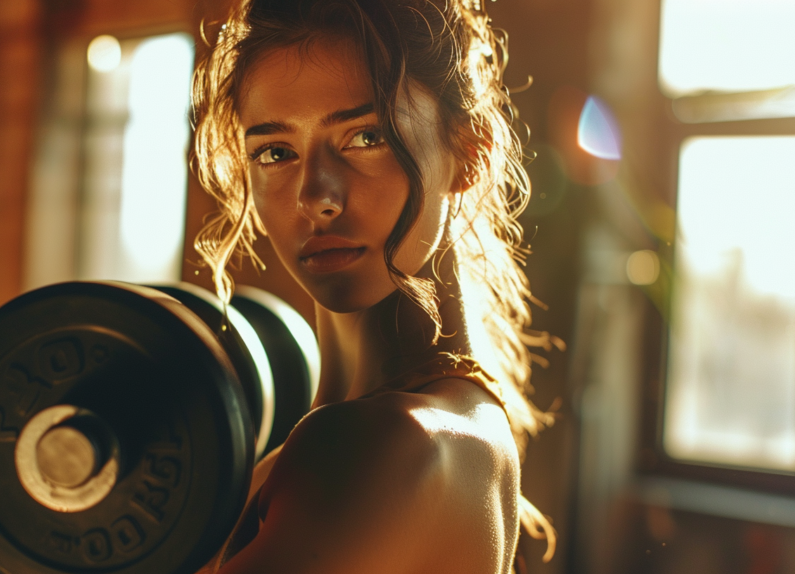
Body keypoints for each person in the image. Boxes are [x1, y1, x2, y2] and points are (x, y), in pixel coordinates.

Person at [191, 0, 561, 572]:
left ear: (470, 151)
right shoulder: (464, 419)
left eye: (366, 137)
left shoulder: (382, 441)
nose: (316, 196)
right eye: (276, 152)